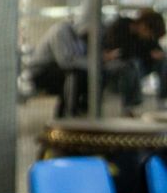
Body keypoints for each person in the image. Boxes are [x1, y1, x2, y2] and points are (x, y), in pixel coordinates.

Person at [28, 9, 166, 116]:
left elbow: (81, 59)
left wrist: (98, 61)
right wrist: (97, 62)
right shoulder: (61, 31)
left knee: (92, 73)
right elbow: (66, 62)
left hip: (62, 69)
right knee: (77, 74)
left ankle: (86, 109)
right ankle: (68, 114)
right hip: (42, 72)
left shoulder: (80, 38)